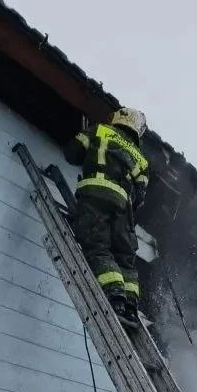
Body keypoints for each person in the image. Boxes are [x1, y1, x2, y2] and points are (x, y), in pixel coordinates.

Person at [63, 106, 149, 328]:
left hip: (95, 196)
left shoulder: (100, 130)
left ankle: (115, 299)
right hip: (123, 208)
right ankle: (130, 307)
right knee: (125, 258)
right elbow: (140, 197)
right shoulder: (141, 159)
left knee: (97, 247)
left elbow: (72, 152)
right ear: (138, 128)